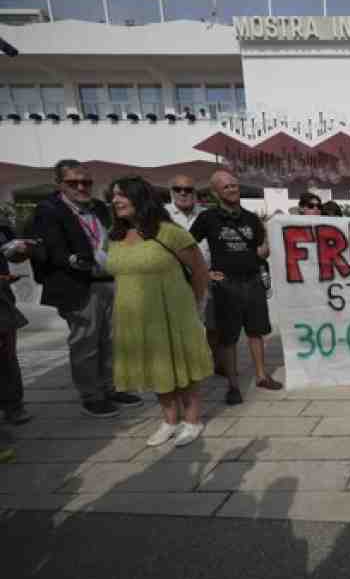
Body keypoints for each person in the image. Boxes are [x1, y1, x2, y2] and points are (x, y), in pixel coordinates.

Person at [30, 159, 142, 418]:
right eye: (73, 182)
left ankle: (111, 387)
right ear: (58, 184)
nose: (81, 187)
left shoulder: (100, 208)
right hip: (78, 285)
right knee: (86, 344)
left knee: (113, 340)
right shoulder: (48, 210)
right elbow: (49, 249)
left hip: (110, 281)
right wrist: (75, 259)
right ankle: (91, 395)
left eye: (86, 182)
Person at [106, 176, 213, 447]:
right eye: (113, 196)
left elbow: (200, 271)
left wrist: (196, 306)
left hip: (173, 313)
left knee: (183, 367)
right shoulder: (116, 236)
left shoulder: (169, 232)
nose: (115, 200)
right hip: (134, 317)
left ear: (141, 198)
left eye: (122, 195)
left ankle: (192, 420)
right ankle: (169, 420)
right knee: (156, 369)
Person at [190, 170, 283, 405]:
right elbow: (188, 247)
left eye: (234, 185)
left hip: (252, 281)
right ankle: (233, 384)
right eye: (226, 187)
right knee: (228, 337)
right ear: (215, 192)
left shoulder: (251, 218)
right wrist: (204, 272)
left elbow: (263, 246)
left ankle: (261, 376)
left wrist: (264, 249)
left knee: (256, 331)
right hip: (226, 285)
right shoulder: (207, 218)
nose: (232, 189)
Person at [164, 174, 223, 375]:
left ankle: (217, 362)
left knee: (213, 324)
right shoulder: (162, 216)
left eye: (188, 189)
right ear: (171, 192)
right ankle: (185, 364)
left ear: (195, 193)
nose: (183, 193)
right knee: (181, 326)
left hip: (208, 277)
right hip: (176, 280)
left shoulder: (208, 215)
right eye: (178, 189)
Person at [0, 211, 35, 425]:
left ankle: (13, 405)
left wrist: (22, 250)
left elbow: (14, 253)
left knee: (6, 357)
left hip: (1, 301)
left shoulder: (2, 223)